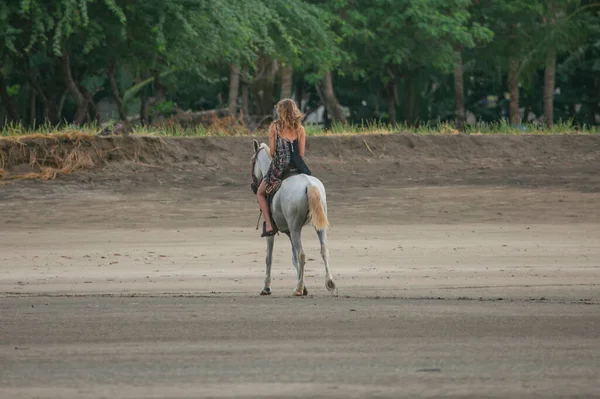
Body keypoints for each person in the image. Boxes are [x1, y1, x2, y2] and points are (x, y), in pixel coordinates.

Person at [257, 99, 307, 237]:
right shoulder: (300, 129)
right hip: (297, 166)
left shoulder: (275, 127)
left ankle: (268, 225)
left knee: (260, 193)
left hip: (280, 166)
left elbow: (272, 152)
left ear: (281, 111)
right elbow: (301, 153)